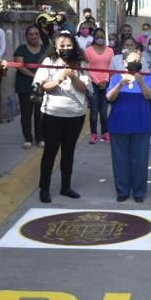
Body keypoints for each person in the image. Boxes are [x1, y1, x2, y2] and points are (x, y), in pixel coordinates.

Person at [32, 32, 90, 203]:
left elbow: (84, 89)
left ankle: (66, 186)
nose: (65, 48)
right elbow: (44, 86)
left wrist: (72, 76)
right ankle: (44, 188)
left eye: (69, 45)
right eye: (62, 46)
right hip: (53, 114)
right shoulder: (49, 62)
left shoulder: (81, 64)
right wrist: (58, 78)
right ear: (56, 48)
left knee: (68, 152)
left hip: (75, 115)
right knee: (50, 152)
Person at [106, 50, 151, 202]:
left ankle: (139, 192)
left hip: (141, 124)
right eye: (132, 61)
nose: (135, 63)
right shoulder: (115, 78)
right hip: (119, 125)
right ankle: (122, 191)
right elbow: (109, 98)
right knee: (120, 160)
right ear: (124, 63)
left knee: (139, 160)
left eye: (138, 60)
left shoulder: (146, 78)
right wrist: (120, 85)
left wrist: (140, 82)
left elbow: (149, 96)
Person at [14, 25, 45, 149]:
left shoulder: (45, 49)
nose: (34, 36)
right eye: (31, 34)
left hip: (40, 86)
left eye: (36, 34)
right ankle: (28, 138)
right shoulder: (21, 49)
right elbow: (19, 66)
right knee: (26, 113)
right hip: (25, 86)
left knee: (40, 113)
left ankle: (40, 138)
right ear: (26, 37)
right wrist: (34, 76)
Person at [84, 27, 114, 144]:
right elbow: (87, 68)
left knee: (104, 110)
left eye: (102, 37)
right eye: (97, 37)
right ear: (94, 38)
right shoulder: (88, 51)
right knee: (94, 111)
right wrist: (97, 81)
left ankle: (105, 133)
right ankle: (93, 134)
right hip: (93, 83)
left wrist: (105, 80)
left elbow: (111, 68)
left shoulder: (110, 51)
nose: (100, 39)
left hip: (106, 83)